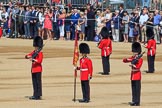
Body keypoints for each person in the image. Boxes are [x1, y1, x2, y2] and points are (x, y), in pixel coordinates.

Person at [123, 42, 143, 106]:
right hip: (133, 75)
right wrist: (129, 59)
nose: (134, 53)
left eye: (135, 51)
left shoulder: (140, 59)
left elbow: (138, 67)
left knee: (137, 89)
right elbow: (124, 60)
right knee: (133, 89)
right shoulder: (133, 58)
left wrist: (134, 65)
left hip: (137, 75)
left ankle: (137, 102)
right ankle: (134, 100)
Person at [25, 36, 43, 100]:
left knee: (38, 82)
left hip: (38, 69)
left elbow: (40, 61)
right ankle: (35, 94)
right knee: (34, 82)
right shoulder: (34, 52)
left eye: (36, 47)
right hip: (33, 69)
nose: (35, 48)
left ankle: (38, 95)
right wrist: (27, 56)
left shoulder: (40, 53)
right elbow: (29, 55)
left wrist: (34, 60)